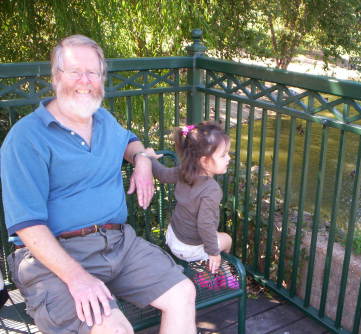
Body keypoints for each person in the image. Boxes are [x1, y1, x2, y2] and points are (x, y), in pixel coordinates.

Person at [0, 35, 196, 334]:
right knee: (114, 329)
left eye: (93, 73)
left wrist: (142, 158)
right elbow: (28, 226)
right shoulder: (26, 138)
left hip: (117, 244)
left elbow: (129, 140)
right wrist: (77, 278)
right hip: (53, 257)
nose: (85, 80)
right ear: (56, 77)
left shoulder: (103, 119)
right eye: (75, 71)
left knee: (183, 293)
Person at [145, 122, 237, 288]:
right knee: (227, 240)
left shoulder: (184, 171)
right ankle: (215, 274)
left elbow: (163, 174)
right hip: (189, 248)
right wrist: (214, 253)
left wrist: (150, 158)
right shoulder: (212, 189)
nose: (229, 158)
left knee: (213, 234)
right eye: (223, 155)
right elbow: (204, 224)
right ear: (204, 161)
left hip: (174, 237)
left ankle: (209, 270)